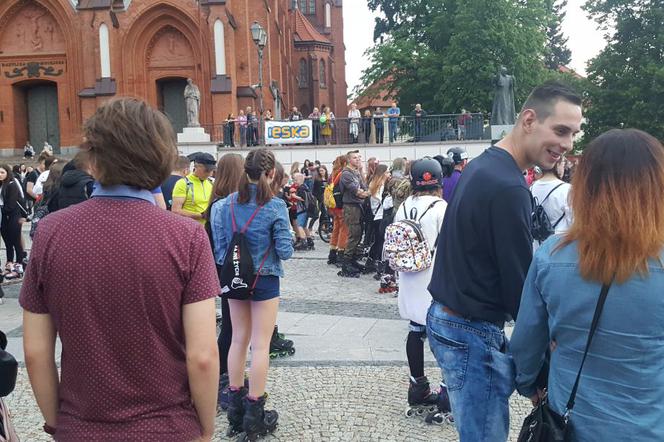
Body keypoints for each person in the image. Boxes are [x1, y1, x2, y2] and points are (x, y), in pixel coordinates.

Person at [20, 98, 220, 441]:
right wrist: (205, 430)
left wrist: (58, 423)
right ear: (161, 159)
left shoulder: (52, 232)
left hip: (81, 426)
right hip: (167, 427)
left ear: (93, 160)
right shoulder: (186, 237)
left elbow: (36, 351)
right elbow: (202, 355)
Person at [426, 81, 583, 442]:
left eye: (573, 134)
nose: (568, 144)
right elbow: (522, 289)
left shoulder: (485, 165)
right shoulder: (509, 186)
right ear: (529, 119)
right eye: (560, 130)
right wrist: (541, 367)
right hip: (470, 329)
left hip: (452, 319)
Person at [511, 129, 664, 441]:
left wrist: (531, 384)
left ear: (585, 186)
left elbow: (526, 346)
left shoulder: (551, 257)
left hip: (574, 422)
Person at [210, 149, 293, 440]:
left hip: (233, 279)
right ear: (270, 174)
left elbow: (221, 251)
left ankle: (234, 407)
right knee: (260, 345)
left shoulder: (222, 206)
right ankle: (254, 413)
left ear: (245, 171)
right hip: (265, 280)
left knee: (237, 340)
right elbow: (285, 251)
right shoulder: (275, 206)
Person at [394, 158, 450, 419]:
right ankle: (448, 390)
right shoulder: (441, 207)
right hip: (434, 276)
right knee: (442, 335)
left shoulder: (404, 206)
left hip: (408, 275)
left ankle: (417, 385)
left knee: (415, 330)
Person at [205, 153, 245, 412]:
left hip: (221, 268)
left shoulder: (215, 202)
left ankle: (227, 373)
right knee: (232, 327)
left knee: (233, 326)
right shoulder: (226, 205)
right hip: (229, 267)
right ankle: (223, 374)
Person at [338, 150, 370, 277]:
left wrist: (361, 171)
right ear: (349, 160)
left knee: (358, 233)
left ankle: (352, 261)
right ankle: (346, 264)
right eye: (355, 158)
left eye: (359, 157)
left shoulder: (355, 172)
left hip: (357, 206)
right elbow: (360, 192)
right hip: (351, 207)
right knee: (354, 235)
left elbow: (365, 187)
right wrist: (369, 192)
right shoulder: (346, 174)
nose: (358, 160)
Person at [171, 153, 215, 225]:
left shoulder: (211, 183)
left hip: (209, 228)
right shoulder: (183, 183)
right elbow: (175, 210)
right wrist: (201, 216)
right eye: (207, 171)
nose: (210, 174)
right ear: (196, 167)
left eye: (212, 171)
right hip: (190, 228)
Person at [0, 165, 26, 280]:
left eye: (2, 172)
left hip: (13, 216)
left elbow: (10, 205)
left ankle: (19, 267)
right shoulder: (1, 185)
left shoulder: (12, 184)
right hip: (4, 217)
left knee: (16, 242)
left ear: (7, 173)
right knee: (7, 243)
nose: (0, 174)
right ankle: (9, 264)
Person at [327, 155, 349, 266]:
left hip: (333, 205)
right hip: (341, 205)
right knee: (344, 229)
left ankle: (332, 253)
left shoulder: (333, 174)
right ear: (345, 163)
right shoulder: (342, 174)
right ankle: (341, 253)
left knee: (336, 228)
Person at [367, 164, 390, 270]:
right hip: (379, 216)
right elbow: (381, 200)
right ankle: (380, 264)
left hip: (376, 216)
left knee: (377, 241)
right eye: (387, 172)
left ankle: (371, 261)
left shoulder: (374, 183)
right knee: (380, 241)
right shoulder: (379, 185)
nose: (389, 174)